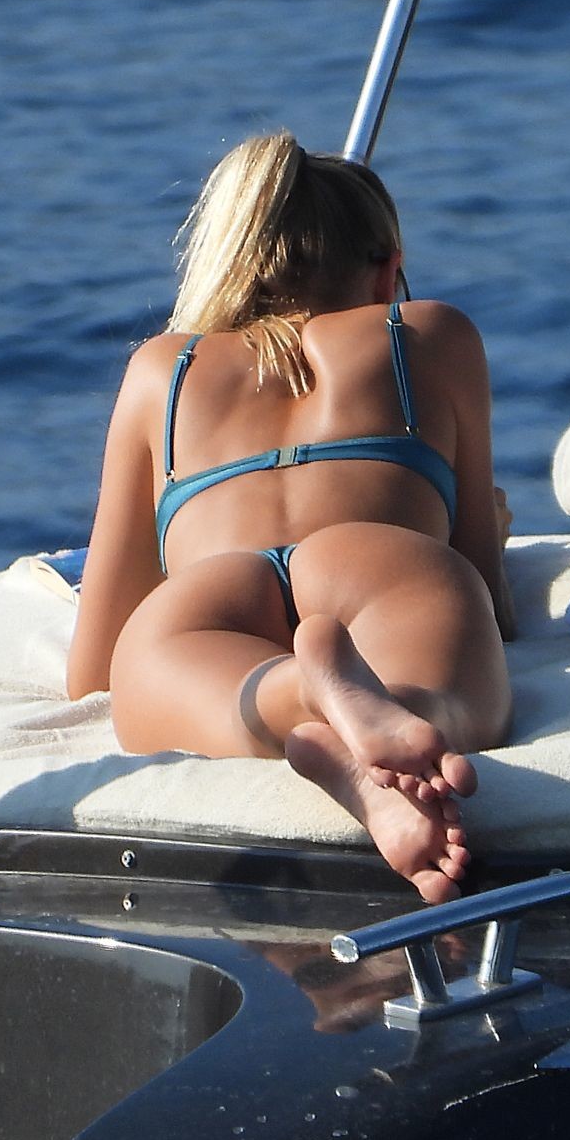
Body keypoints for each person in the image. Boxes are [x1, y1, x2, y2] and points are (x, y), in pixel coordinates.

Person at [66, 133, 514, 903]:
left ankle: (299, 697)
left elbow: (93, 668)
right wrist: (491, 542)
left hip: (209, 594)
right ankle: (388, 717)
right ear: (387, 269)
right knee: (437, 705)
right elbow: (491, 600)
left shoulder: (160, 369)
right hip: (375, 562)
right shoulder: (429, 334)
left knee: (232, 702)